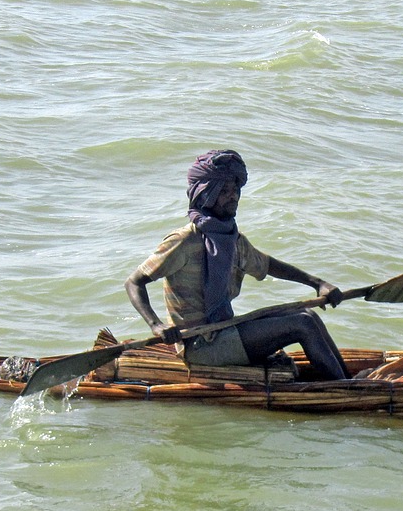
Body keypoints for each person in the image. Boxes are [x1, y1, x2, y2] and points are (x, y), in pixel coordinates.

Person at [125, 150, 349, 380]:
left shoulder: (231, 239)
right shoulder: (184, 241)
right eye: (223, 191)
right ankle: (345, 388)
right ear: (206, 195)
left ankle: (348, 378)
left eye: (235, 190)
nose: (233, 197)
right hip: (202, 345)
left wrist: (318, 283)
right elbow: (134, 282)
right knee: (302, 324)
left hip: (226, 329)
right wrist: (156, 325)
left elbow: (267, 264)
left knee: (307, 314)